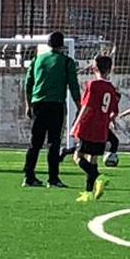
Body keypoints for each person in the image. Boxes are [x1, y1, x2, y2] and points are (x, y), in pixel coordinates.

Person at [22, 32, 81, 188]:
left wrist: (28, 105)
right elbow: (73, 85)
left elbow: (28, 83)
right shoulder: (67, 62)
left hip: (38, 104)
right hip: (55, 105)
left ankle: (28, 176)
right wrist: (79, 106)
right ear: (62, 45)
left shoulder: (37, 59)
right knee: (53, 143)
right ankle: (53, 178)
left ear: (48, 44)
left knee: (35, 142)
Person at [70, 55, 119, 202]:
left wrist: (76, 124)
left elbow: (86, 107)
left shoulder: (93, 85)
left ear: (94, 68)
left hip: (89, 127)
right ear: (109, 69)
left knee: (77, 157)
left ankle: (100, 177)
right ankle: (88, 193)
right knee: (93, 159)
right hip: (102, 129)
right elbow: (114, 112)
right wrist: (106, 120)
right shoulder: (111, 88)